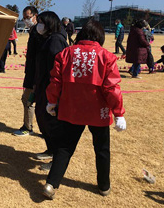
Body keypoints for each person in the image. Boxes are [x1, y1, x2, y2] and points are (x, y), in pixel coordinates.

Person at [43, 20, 126, 199]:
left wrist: (51, 101)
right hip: (98, 111)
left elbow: (55, 82)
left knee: (64, 148)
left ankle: (51, 184)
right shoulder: (107, 56)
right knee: (102, 149)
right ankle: (104, 186)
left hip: (71, 109)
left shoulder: (66, 53)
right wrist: (118, 113)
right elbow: (112, 88)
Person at [34, 11, 68, 171]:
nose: (38, 25)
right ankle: (50, 150)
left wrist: (53, 95)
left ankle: (56, 159)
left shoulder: (55, 41)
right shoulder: (47, 38)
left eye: (40, 22)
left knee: (51, 123)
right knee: (42, 119)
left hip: (51, 89)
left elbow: (56, 70)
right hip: (43, 87)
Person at [13, 6, 41, 136]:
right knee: (28, 100)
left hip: (35, 75)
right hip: (31, 73)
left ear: (35, 16)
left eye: (28, 17)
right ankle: (28, 126)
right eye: (24, 17)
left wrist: (35, 77)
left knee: (28, 100)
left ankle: (28, 127)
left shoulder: (38, 33)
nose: (26, 20)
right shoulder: (33, 31)